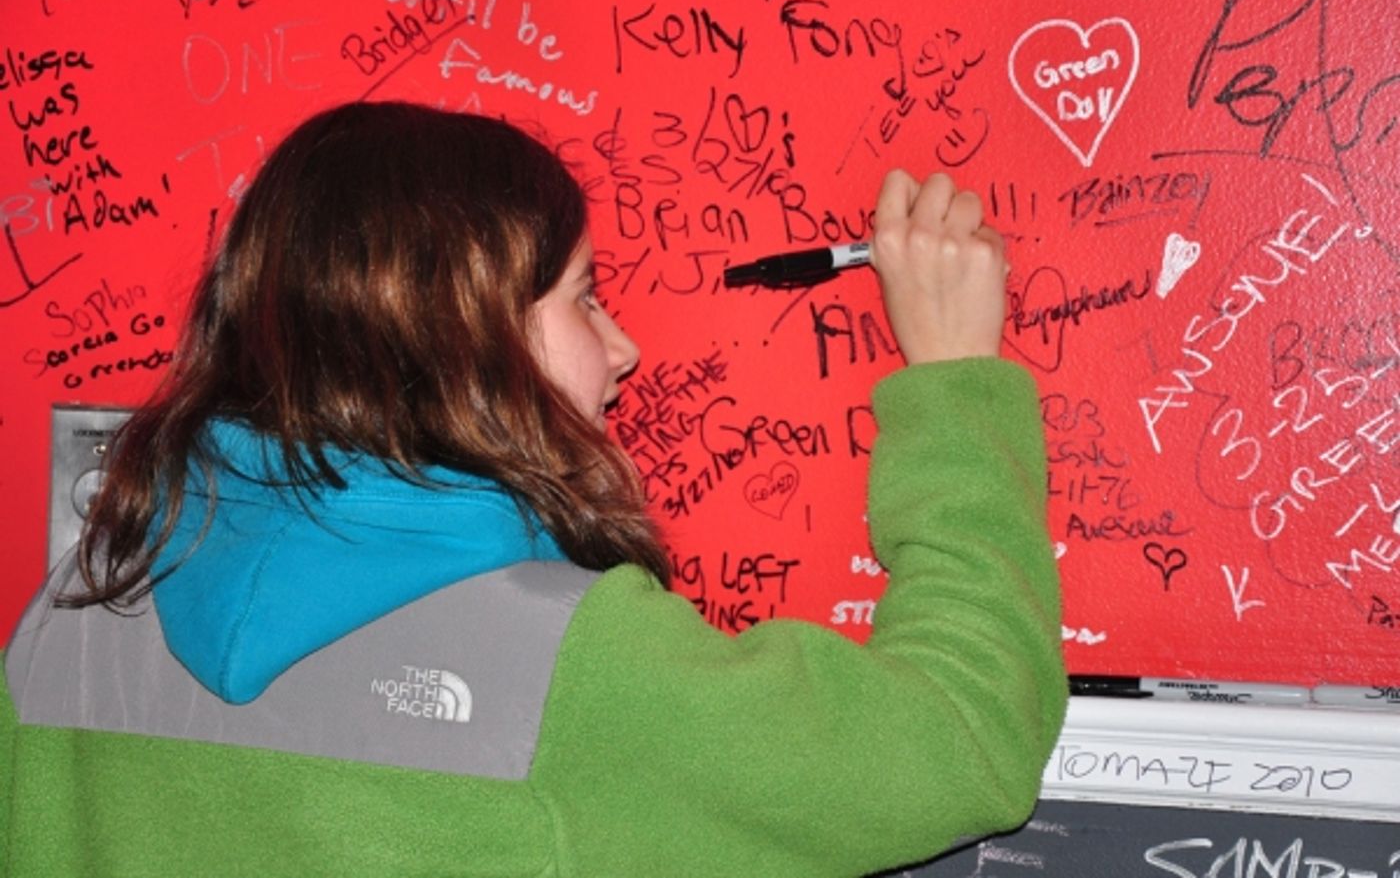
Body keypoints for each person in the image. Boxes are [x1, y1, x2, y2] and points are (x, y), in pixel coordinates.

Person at [0, 100, 1066, 877]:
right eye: (584, 296)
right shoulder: (564, 665)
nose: (624, 347)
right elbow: (958, 740)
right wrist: (953, 378)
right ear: (459, 328)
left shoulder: (74, 614)